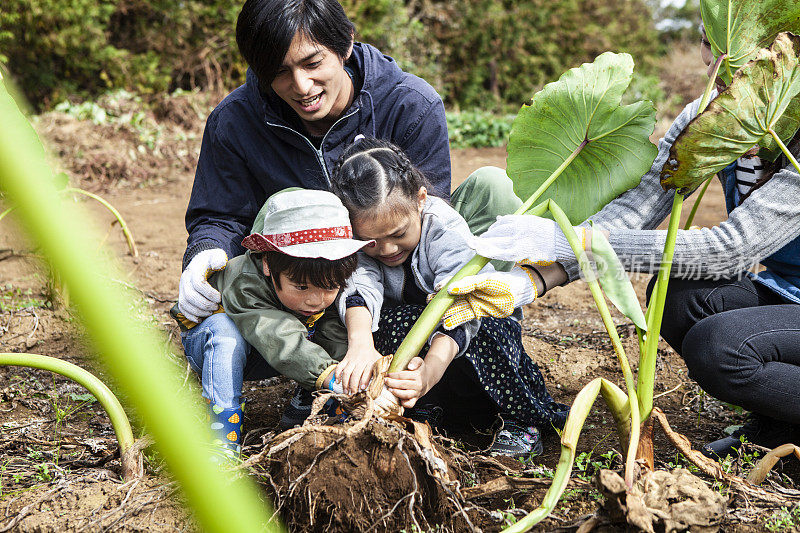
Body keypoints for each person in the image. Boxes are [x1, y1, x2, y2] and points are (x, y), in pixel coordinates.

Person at [441, 28, 800, 459]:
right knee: (678, 299)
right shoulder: (712, 113)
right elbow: (641, 207)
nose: (716, 61)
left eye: (737, 46)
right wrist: (534, 279)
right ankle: (778, 422)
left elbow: (730, 249)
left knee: (719, 347)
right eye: (708, 42)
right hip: (786, 292)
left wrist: (570, 238)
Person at [176, 0, 519, 418]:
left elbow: (423, 231)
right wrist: (206, 254)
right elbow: (219, 215)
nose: (301, 86)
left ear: (345, 45)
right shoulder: (235, 121)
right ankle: (328, 377)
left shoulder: (409, 104)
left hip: (396, 285)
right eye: (279, 72)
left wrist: (422, 349)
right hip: (304, 296)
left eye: (312, 63)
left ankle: (484, 348)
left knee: (492, 189)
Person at [329, 137, 569, 459]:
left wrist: (428, 373)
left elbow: (461, 307)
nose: (386, 249)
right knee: (382, 325)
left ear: (420, 200)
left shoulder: (442, 227)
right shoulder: (360, 240)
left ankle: (521, 420)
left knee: (487, 324)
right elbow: (360, 286)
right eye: (371, 242)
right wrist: (361, 345)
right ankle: (434, 408)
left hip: (469, 338)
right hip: (425, 362)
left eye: (398, 234)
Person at [172, 188, 372, 458]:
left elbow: (335, 333)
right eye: (301, 287)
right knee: (225, 332)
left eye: (330, 287)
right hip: (216, 346)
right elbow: (276, 334)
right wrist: (328, 376)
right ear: (268, 264)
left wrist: (345, 379)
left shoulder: (323, 293)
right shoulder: (244, 280)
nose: (316, 299)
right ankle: (222, 435)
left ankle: (311, 404)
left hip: (275, 349)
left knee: (333, 326)